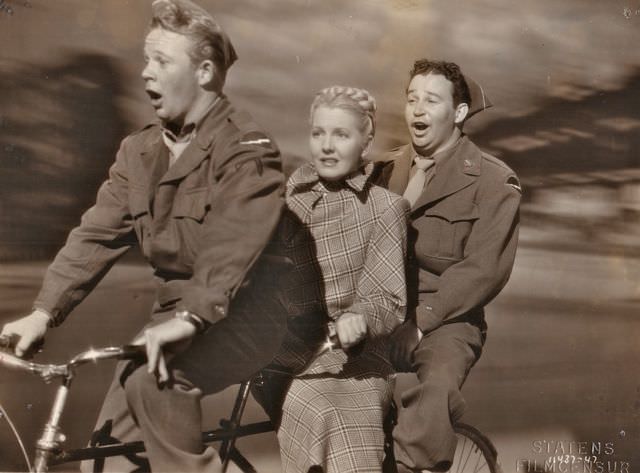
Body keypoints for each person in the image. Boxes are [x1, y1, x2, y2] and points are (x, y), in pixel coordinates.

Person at [0, 1, 288, 471]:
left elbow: (234, 241)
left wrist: (192, 317)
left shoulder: (245, 150)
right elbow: (95, 234)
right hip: (171, 320)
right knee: (110, 450)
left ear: (205, 72)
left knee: (155, 383)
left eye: (162, 61)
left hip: (241, 317)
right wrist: (43, 311)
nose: (145, 73)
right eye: (145, 59)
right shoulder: (140, 152)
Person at [375, 59, 521, 472]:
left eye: (431, 100)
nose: (417, 110)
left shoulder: (494, 181)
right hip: (380, 313)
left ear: (458, 113)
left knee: (434, 388)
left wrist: (420, 322)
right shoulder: (382, 171)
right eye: (411, 99)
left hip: (446, 321)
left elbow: (484, 269)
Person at [256, 86, 409, 473]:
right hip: (277, 354)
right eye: (318, 133)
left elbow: (387, 297)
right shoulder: (286, 202)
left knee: (328, 411)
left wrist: (361, 317)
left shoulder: (384, 209)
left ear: (366, 141)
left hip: (352, 358)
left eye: (341, 135)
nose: (326, 146)